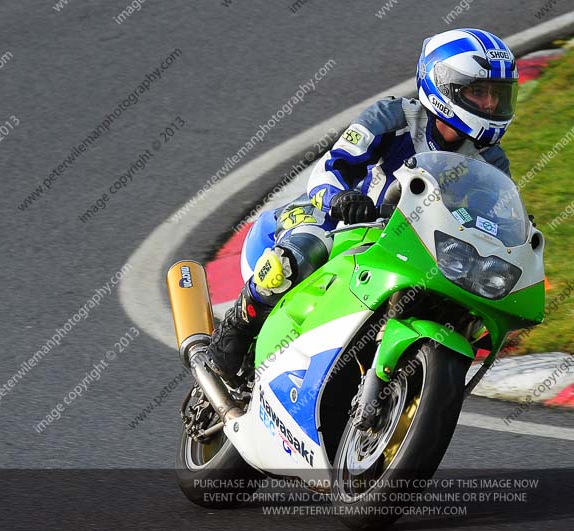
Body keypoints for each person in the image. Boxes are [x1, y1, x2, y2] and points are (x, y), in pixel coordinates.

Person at [207, 28, 520, 384]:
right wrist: (342, 198)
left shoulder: (491, 161)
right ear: (444, 85)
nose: (492, 106)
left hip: (411, 248)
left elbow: (490, 221)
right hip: (338, 220)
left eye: (498, 95)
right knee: (296, 254)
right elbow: (331, 167)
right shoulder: (393, 118)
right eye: (479, 92)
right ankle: (233, 337)